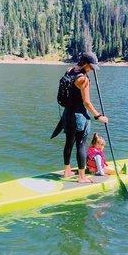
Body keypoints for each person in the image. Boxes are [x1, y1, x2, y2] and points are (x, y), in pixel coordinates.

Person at [51, 52, 108, 183]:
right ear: (86, 64)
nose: (93, 69)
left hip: (67, 114)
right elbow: (87, 102)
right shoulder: (83, 79)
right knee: (81, 145)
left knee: (69, 143)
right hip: (78, 117)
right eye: (92, 66)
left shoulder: (70, 70)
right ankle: (82, 177)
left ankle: (67, 171)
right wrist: (99, 116)